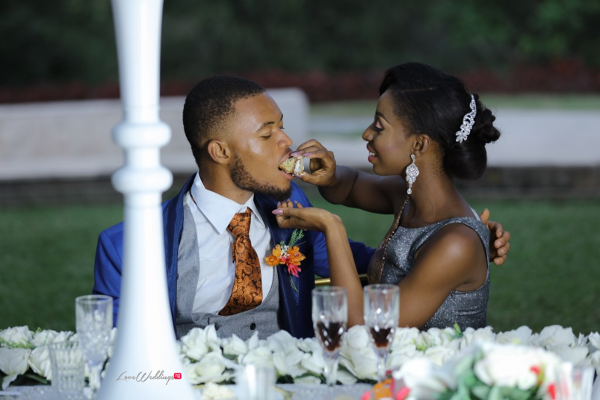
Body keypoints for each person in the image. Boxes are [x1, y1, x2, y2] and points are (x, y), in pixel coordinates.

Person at [93, 74, 510, 340]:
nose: (287, 143)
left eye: (282, 126)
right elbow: (121, 360)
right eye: (267, 133)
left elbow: (372, 265)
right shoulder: (126, 247)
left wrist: (462, 243)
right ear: (220, 150)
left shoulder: (292, 210)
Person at [273, 62, 507, 331]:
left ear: (418, 144)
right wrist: (328, 173)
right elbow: (350, 187)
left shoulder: (456, 243)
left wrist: (331, 227)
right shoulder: (406, 195)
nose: (366, 134)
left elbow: (367, 327)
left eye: (379, 126)